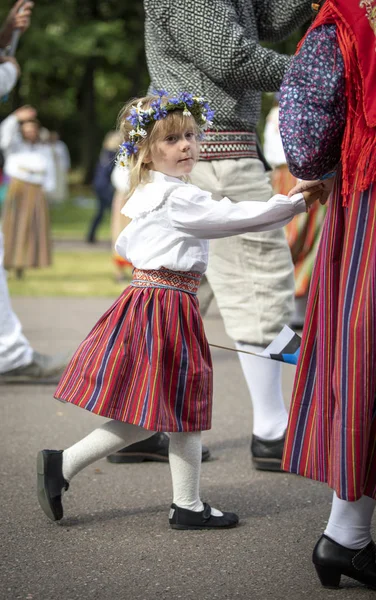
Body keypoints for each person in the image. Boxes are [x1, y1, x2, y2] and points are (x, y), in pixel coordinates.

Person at [36, 92, 321, 529]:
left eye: (190, 135)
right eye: (171, 140)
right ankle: (176, 502)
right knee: (177, 404)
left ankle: (93, 473)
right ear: (146, 154)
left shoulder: (157, 192)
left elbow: (135, 243)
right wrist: (294, 203)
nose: (186, 145)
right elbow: (236, 217)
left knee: (165, 409)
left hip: (156, 301)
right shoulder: (177, 199)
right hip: (165, 305)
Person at [122, 0, 314, 471]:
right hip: (214, 153)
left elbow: (267, 18)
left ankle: (145, 423)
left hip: (203, 154)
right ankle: (272, 431)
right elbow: (231, 56)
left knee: (172, 296)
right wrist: (320, 73)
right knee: (258, 286)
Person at [279, 0, 376, 590]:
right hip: (369, 198)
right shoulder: (345, 23)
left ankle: (347, 534)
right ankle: (347, 535)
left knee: (366, 356)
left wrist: (321, 163)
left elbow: (306, 129)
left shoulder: (344, 21)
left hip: (365, 196)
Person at [0, 0, 68, 383]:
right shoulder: (15, 141)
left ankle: (8, 353)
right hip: (19, 188)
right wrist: (7, 70)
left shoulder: (41, 146)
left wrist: (7, 36)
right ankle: (9, 354)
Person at [263, 95, 327, 329]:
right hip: (291, 174)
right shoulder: (284, 114)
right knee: (297, 238)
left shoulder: (286, 114)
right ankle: (287, 305)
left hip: (294, 174)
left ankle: (297, 307)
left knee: (304, 238)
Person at [0, 106, 56, 278]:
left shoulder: (43, 148)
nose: (30, 132)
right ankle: (9, 262)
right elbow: (4, 136)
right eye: (27, 129)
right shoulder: (15, 146)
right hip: (18, 186)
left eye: (33, 129)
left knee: (32, 227)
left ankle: (24, 263)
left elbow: (50, 169)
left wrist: (49, 188)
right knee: (14, 225)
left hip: (36, 189)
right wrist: (16, 118)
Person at [86, 131, 119, 244]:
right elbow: (109, 170)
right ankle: (117, 234)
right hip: (105, 186)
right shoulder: (112, 154)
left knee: (100, 211)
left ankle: (91, 235)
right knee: (114, 211)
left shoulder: (104, 153)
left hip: (99, 184)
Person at [47, 131, 70, 204]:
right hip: (51, 167)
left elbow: (66, 156)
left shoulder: (61, 145)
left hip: (60, 166)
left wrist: (67, 166)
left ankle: (59, 198)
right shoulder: (47, 145)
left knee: (60, 182)